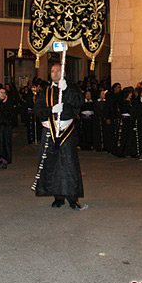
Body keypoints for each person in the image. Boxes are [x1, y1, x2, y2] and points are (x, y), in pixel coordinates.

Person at [34, 63, 84, 210]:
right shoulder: (45, 91)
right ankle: (58, 197)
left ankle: (73, 198)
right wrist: (51, 110)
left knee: (69, 164)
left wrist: (66, 89)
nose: (55, 73)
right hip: (50, 130)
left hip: (66, 130)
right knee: (53, 164)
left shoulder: (71, 88)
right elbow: (38, 109)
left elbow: (78, 103)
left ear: (63, 73)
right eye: (52, 71)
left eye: (58, 71)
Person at [0, 88, 14, 168]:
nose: (3, 94)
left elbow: (10, 115)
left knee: (5, 144)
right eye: (1, 93)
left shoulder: (8, 104)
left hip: (5, 127)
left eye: (4, 93)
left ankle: (5, 160)